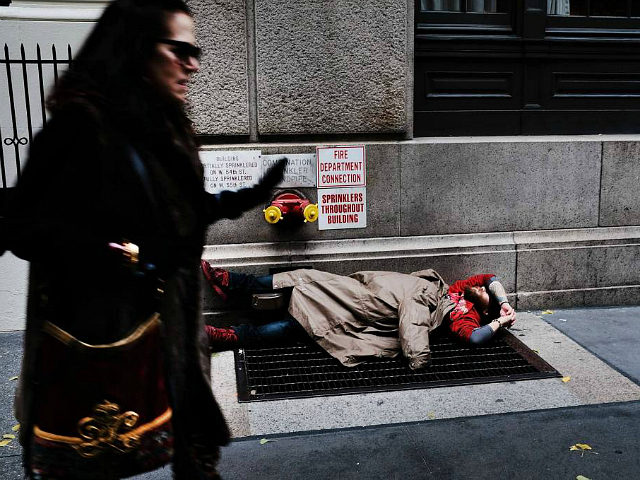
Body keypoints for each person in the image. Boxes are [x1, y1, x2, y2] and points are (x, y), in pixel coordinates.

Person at [1, 1, 286, 478]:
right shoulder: (82, 126)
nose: (192, 63)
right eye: (179, 50)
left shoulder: (168, 125)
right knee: (93, 461)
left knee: (195, 447)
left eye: (196, 51)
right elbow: (21, 227)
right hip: (109, 326)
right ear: (136, 48)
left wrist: (249, 195)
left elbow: (185, 215)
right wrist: (109, 254)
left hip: (176, 315)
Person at [201, 263, 516, 370]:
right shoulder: (459, 289)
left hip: (361, 309)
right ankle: (234, 285)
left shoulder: (458, 315)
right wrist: (503, 302)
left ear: (482, 309)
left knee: (302, 324)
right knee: (302, 277)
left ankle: (229, 336)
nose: (482, 286)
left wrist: (499, 321)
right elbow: (490, 277)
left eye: (486, 294)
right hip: (359, 290)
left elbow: (472, 337)